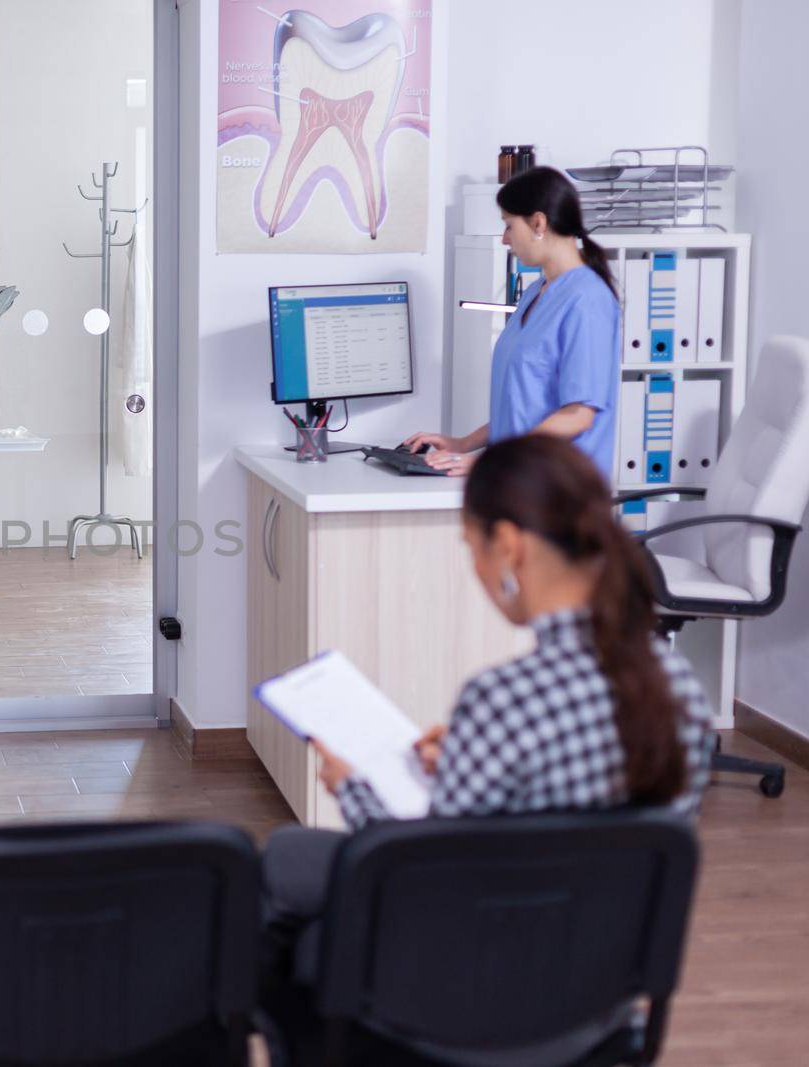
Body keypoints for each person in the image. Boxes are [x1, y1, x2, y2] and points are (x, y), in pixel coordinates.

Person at [261, 435, 712, 998]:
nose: (474, 566)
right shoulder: (683, 692)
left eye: (471, 546)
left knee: (284, 879)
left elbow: (423, 869)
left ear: (507, 546)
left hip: (483, 982)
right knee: (290, 857)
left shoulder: (505, 698)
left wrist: (349, 786)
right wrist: (475, 752)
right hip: (597, 990)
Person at [404, 167, 621, 478]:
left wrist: (491, 461)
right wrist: (462, 444)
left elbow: (577, 415)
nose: (505, 239)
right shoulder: (536, 292)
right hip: (519, 479)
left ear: (538, 223)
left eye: (508, 226)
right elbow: (523, 409)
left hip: (562, 489)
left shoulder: (587, 300)